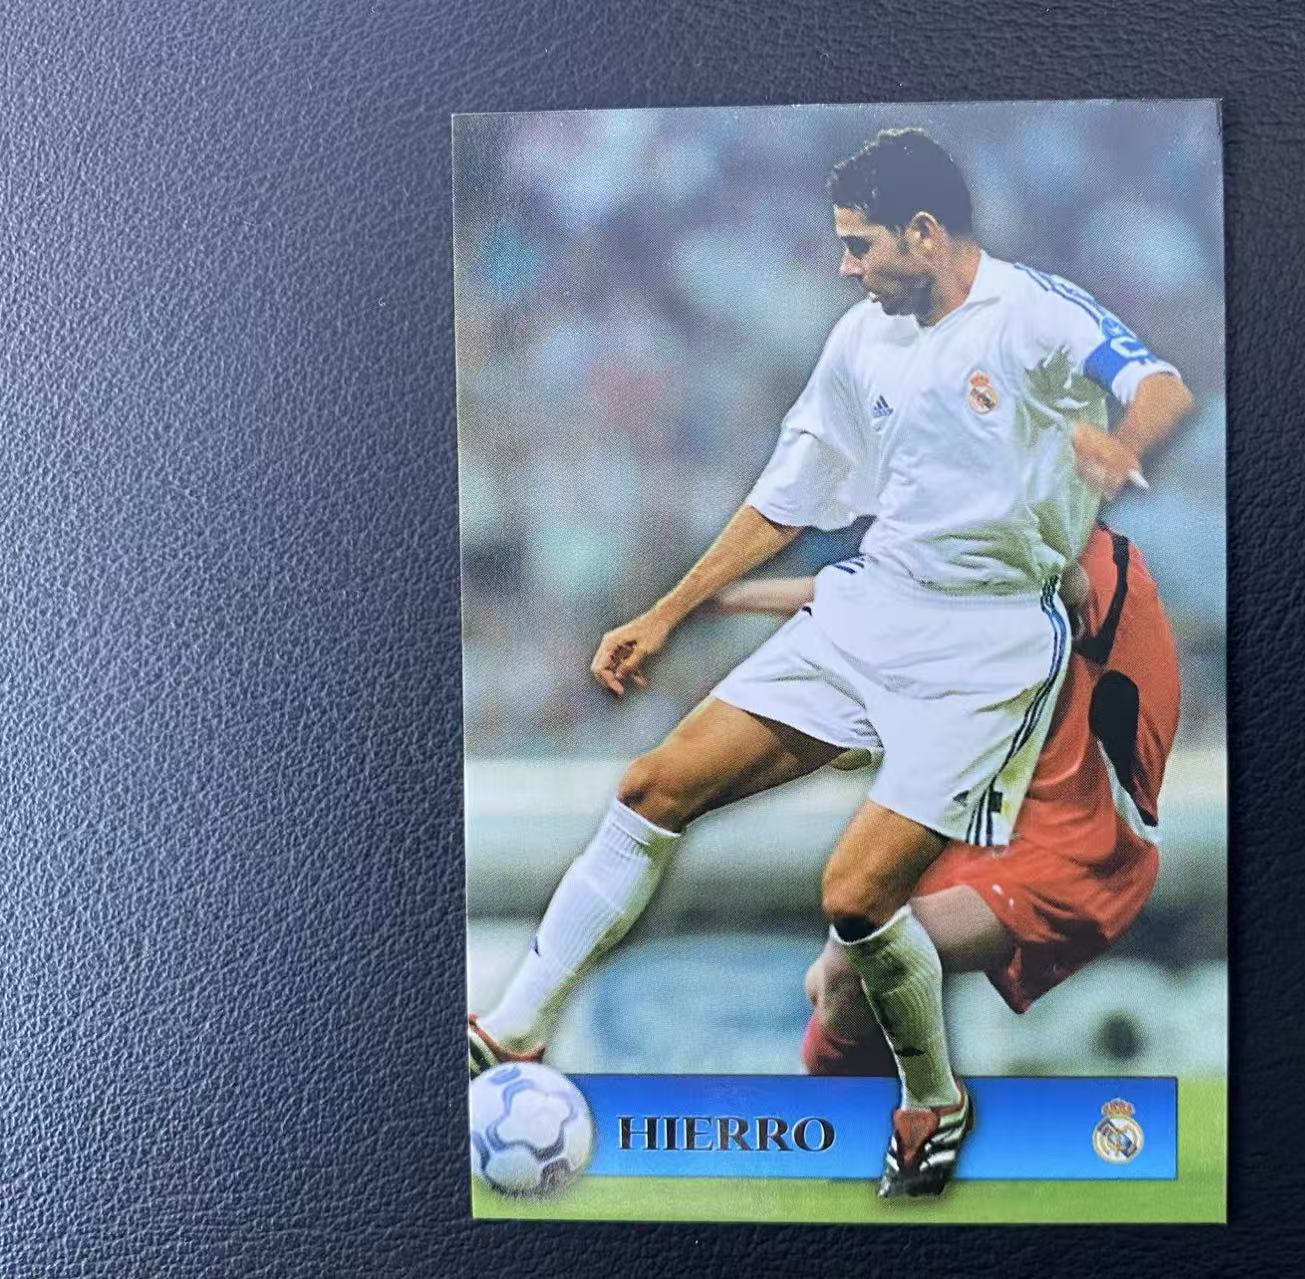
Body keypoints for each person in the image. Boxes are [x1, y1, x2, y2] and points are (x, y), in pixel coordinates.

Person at [467, 128, 1194, 1198]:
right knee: (653, 786)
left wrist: (1122, 446)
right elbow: (786, 499)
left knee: (854, 894)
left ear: (924, 232)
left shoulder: (1033, 312)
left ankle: (932, 1100)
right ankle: (514, 1025)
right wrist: (668, 613)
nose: (846, 267)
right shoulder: (861, 340)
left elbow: (1161, 385)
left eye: (860, 245)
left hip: (987, 648)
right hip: (870, 607)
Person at [715, 523, 1180, 1076]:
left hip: (1079, 846)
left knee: (857, 961)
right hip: (984, 826)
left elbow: (1052, 590)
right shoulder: (975, 555)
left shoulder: (1091, 561)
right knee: (836, 983)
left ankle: (832, 1111)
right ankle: (876, 1116)